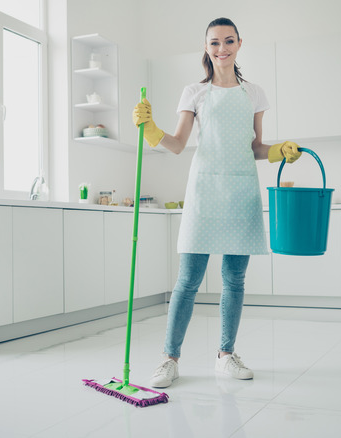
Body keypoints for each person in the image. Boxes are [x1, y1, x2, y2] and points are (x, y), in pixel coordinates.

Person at [132, 17, 302, 389]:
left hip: (242, 190)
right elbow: (177, 144)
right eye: (214, 43)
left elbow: (256, 147)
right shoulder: (194, 92)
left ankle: (226, 355)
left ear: (240, 43)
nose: (221, 49)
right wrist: (152, 130)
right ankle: (169, 359)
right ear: (206, 47)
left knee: (234, 279)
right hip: (205, 192)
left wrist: (278, 151)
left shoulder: (253, 93)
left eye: (228, 41)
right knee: (188, 281)